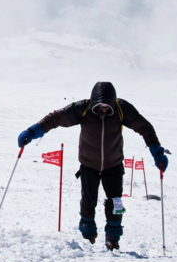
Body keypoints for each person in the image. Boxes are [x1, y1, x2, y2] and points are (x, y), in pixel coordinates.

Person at [17, 82, 168, 251]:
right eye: (99, 107)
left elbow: (144, 127)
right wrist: (33, 131)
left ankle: (113, 238)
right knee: (88, 202)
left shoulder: (121, 109)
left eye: (106, 107)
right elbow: (55, 118)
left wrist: (157, 151)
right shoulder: (83, 108)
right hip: (89, 164)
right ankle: (88, 237)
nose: (103, 110)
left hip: (114, 165)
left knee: (116, 203)